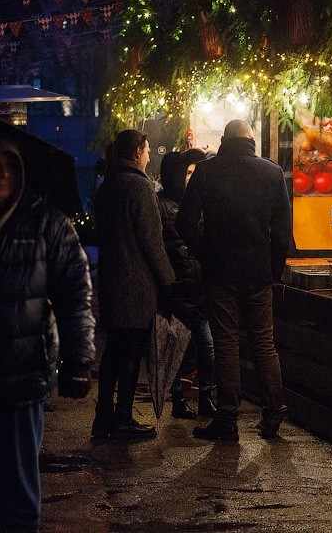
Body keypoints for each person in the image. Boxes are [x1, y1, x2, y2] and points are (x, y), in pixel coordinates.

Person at [0, 131, 96, 531]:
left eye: (8, 167)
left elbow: (74, 295)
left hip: (23, 374)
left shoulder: (46, 223)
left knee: (20, 494)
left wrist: (78, 361)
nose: (0, 176)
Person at [177, 119, 291, 442]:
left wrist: (205, 253)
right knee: (264, 343)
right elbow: (283, 234)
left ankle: (227, 420)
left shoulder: (206, 171)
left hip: (220, 273)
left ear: (225, 140)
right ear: (252, 139)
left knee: (226, 344)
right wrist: (273, 270)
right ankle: (273, 412)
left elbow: (184, 222)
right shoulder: (271, 173)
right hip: (259, 274)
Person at [93, 129, 175, 440]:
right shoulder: (139, 188)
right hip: (136, 283)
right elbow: (152, 241)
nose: (150, 156)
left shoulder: (107, 186)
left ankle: (104, 415)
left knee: (114, 350)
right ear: (137, 152)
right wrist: (168, 281)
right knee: (130, 352)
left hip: (113, 280)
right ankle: (123, 416)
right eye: (148, 150)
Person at [156, 149, 216, 419]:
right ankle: (181, 398)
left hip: (197, 284)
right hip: (176, 286)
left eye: (194, 173)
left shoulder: (199, 203)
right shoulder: (160, 205)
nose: (191, 178)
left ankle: (203, 396)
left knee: (202, 344)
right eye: (187, 173)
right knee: (180, 344)